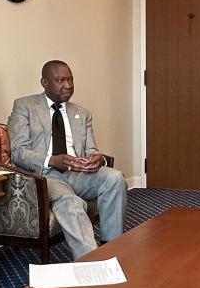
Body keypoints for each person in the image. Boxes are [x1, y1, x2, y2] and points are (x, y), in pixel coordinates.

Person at [8, 60, 126, 259]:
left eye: (70, 79)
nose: (68, 85)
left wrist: (98, 160)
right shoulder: (24, 106)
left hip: (77, 171)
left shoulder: (82, 113)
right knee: (70, 202)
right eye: (60, 80)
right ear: (45, 82)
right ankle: (92, 261)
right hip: (46, 175)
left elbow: (91, 149)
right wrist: (51, 160)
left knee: (115, 177)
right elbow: (18, 152)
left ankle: (111, 246)